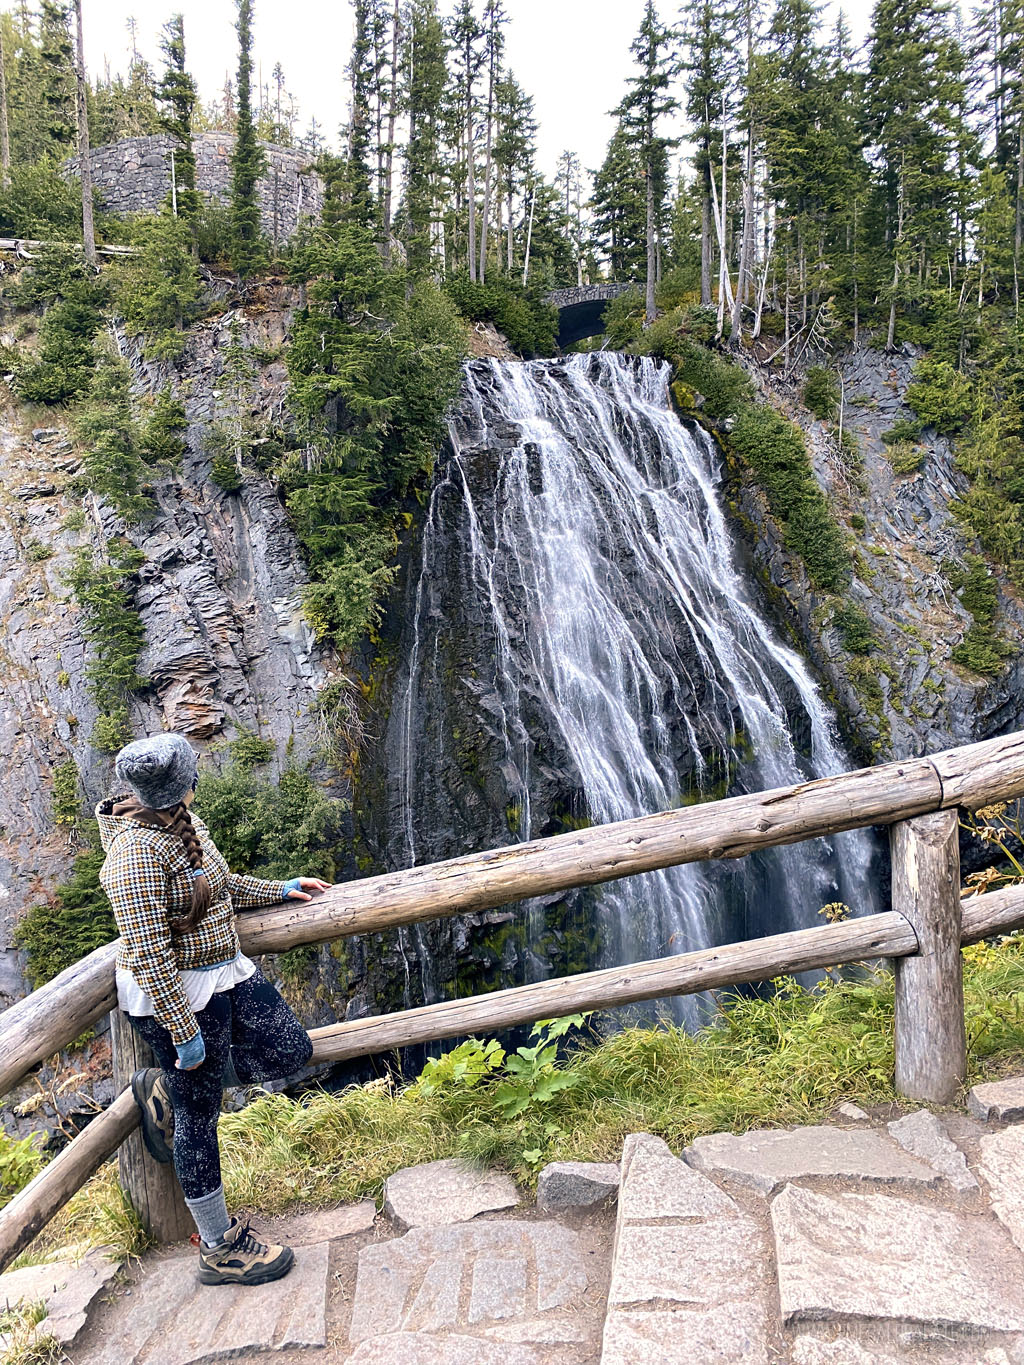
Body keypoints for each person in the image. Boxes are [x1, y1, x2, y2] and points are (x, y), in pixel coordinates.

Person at [97, 732, 330, 1286]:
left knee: (290, 1048)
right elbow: (150, 952)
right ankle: (219, 1247)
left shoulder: (179, 821)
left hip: (221, 969)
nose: (198, 778)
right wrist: (183, 1033)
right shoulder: (133, 853)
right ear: (179, 785)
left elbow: (217, 886)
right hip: (174, 996)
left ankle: (168, 1087)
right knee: (200, 1117)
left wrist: (279, 888)